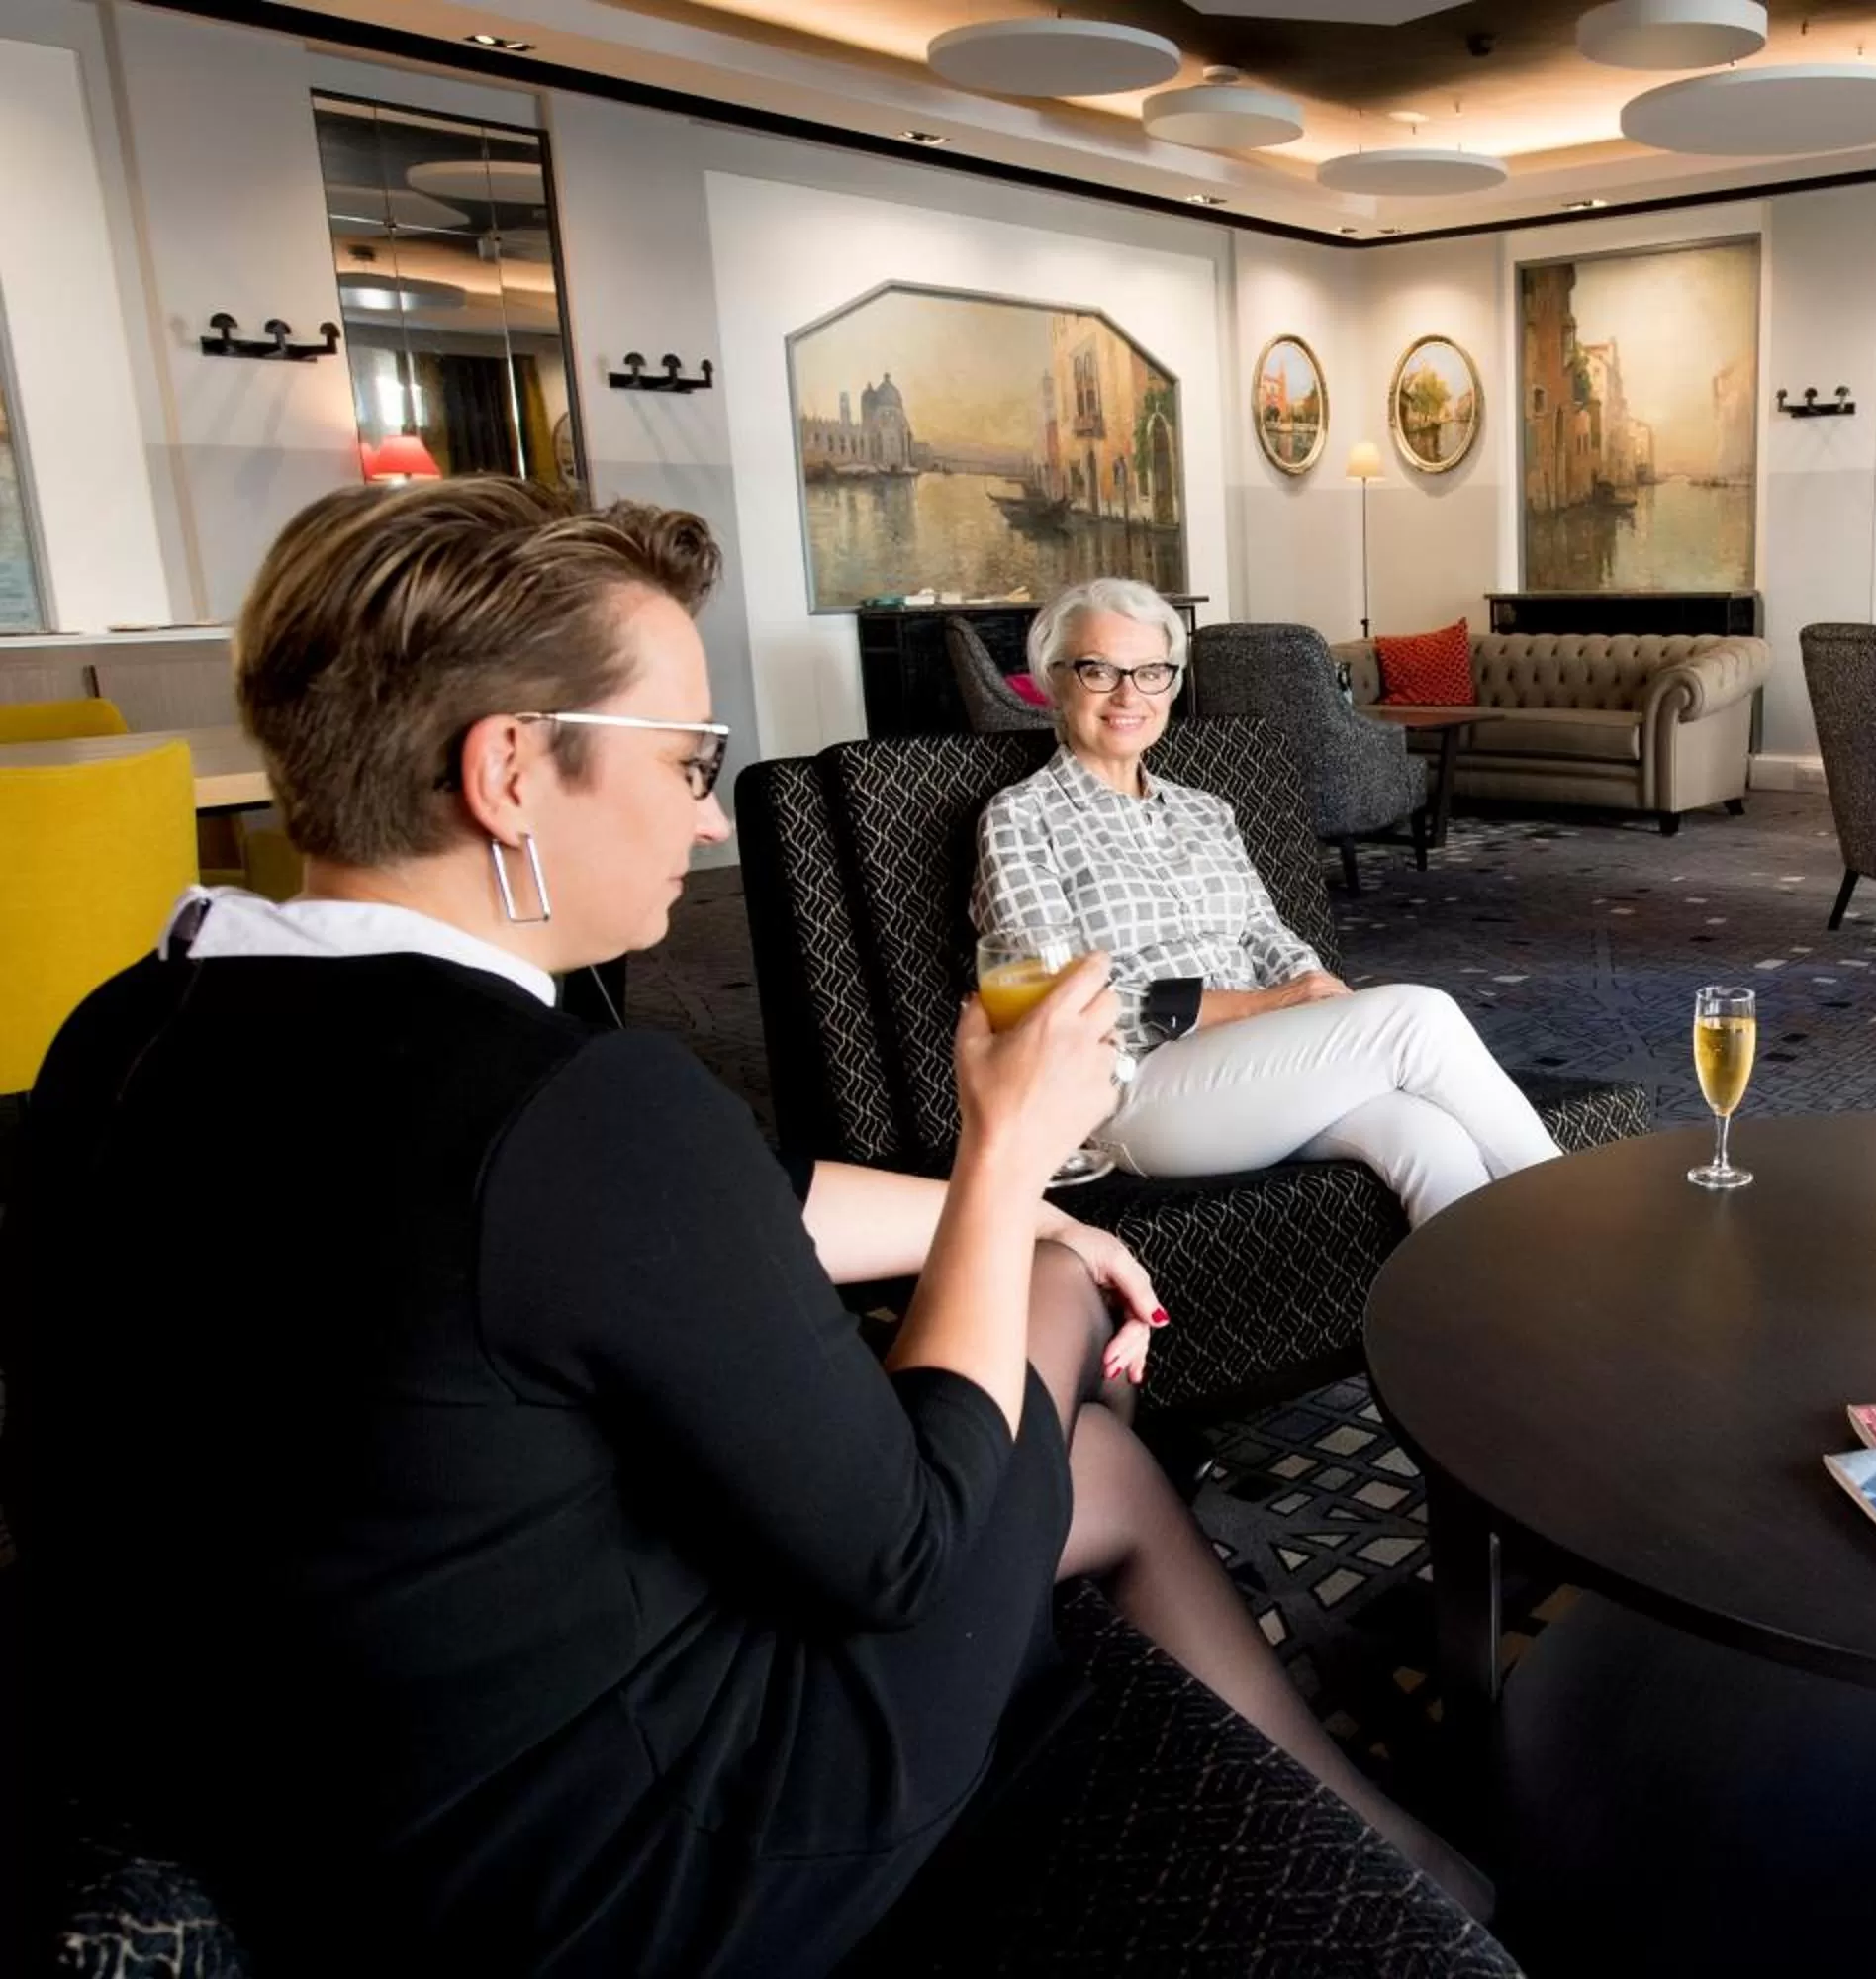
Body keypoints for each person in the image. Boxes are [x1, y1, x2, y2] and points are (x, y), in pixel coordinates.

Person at [0, 480, 1478, 1975]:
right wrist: (1008, 1171)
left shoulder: (133, 1026)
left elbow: (732, 1212)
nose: (711, 810)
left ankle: (1377, 1833)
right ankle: (1386, 1862)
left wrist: (1025, 1208)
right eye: (693, 758)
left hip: (302, 1786)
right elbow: (902, 1553)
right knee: (1052, 1333)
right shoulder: (573, 1105)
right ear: (510, 769)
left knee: (1074, 1390)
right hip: (628, 1866)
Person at [972, 577, 1560, 1226]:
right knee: (1415, 1017)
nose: (1128, 694)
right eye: (1098, 670)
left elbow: (1264, 933)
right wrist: (1268, 1003)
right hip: (1129, 1093)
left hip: (1255, 1066)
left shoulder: (1204, 811)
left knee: (1427, 1137)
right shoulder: (1023, 819)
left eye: (1150, 672)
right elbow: (1059, 1008)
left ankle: (1497, 1322)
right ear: (1053, 680)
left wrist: (1314, 985)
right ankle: (1589, 1231)